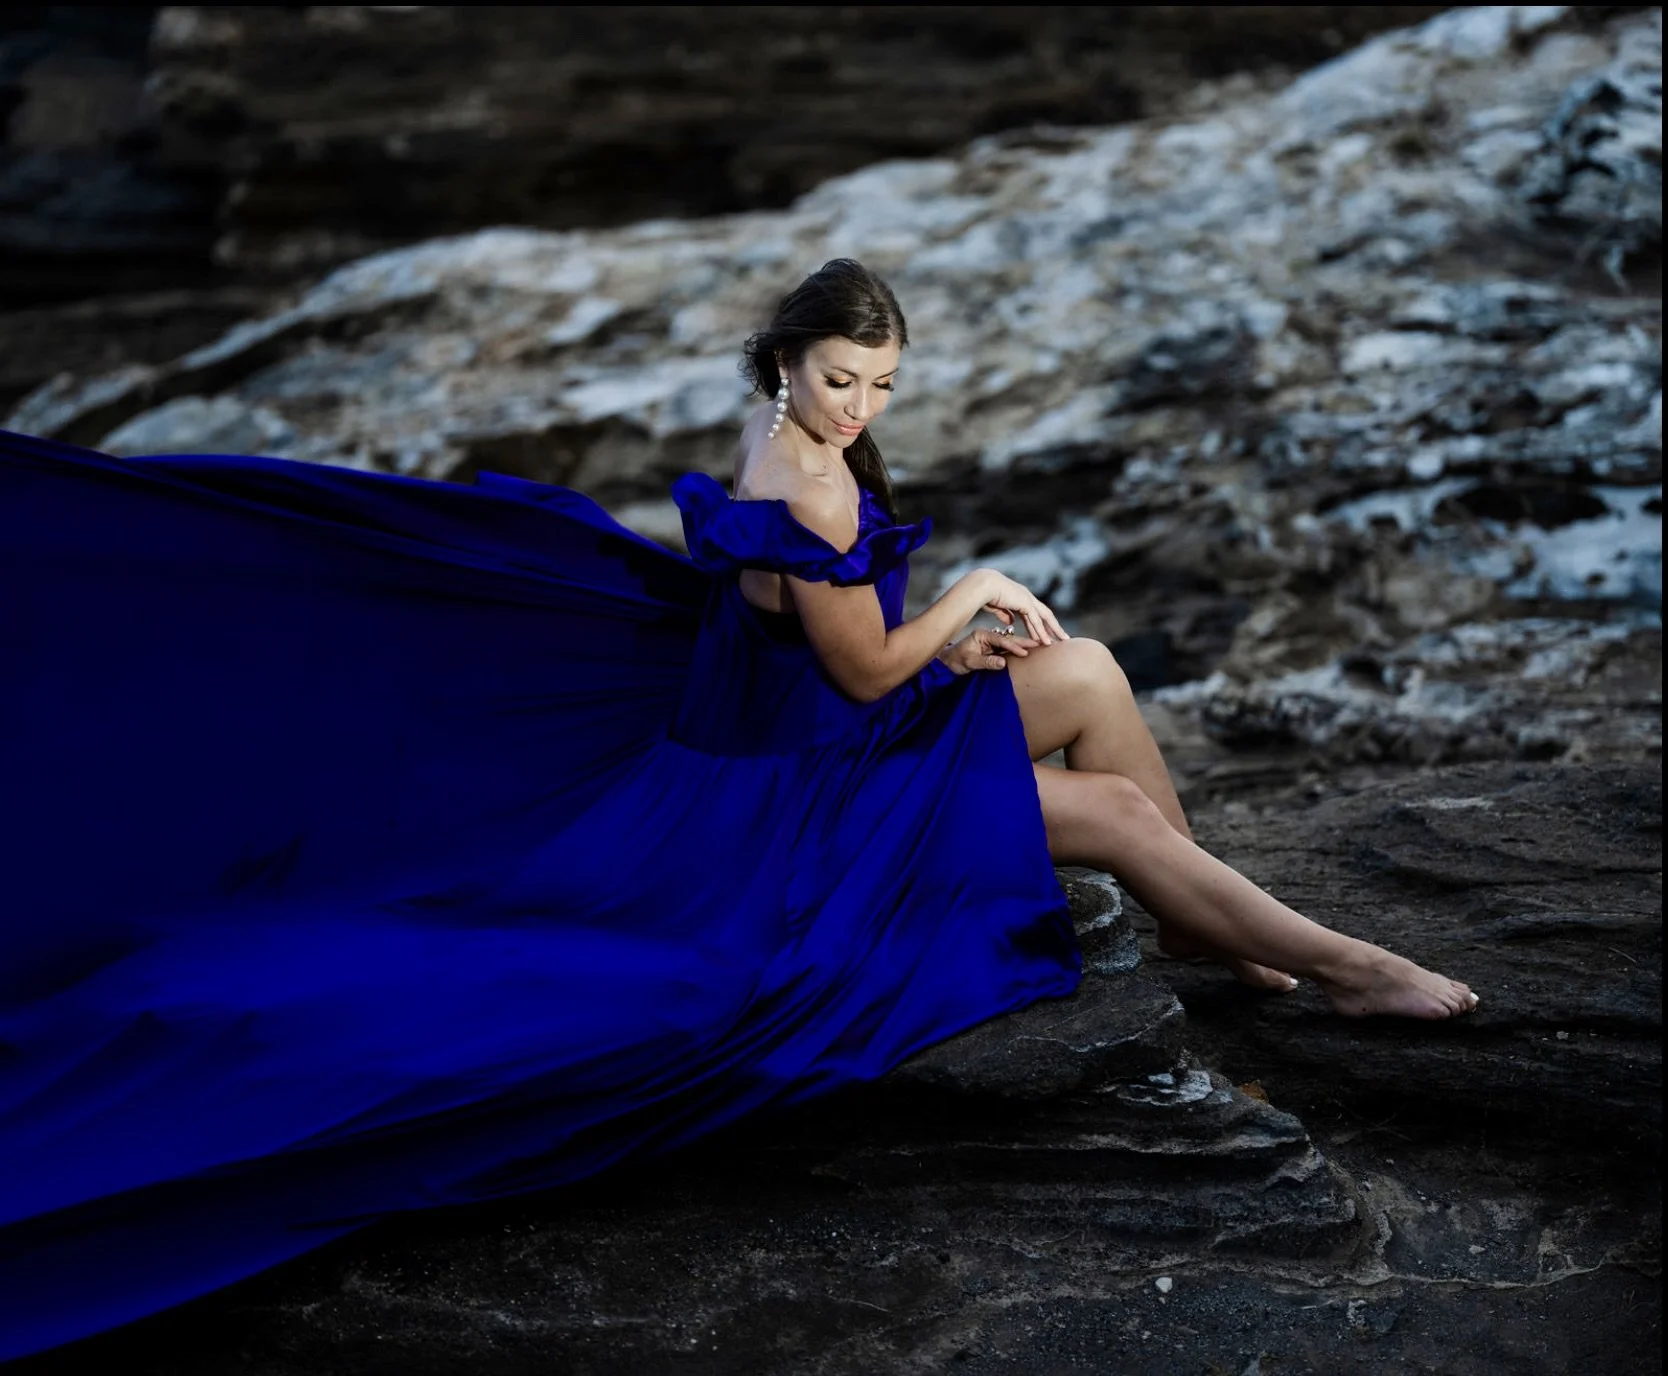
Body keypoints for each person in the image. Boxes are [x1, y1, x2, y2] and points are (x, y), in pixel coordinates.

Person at [0, 257, 1472, 1361]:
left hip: (783, 751)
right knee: (1115, 812)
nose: (861, 405)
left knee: (1083, 669)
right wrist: (966, 605)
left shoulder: (812, 459)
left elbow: (853, 668)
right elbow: (862, 682)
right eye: (841, 378)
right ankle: (1344, 968)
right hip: (779, 808)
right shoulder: (806, 491)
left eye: (885, 386)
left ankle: (1218, 936)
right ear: (783, 362)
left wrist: (976, 632)